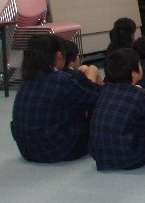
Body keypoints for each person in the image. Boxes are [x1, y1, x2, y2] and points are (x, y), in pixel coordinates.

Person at [11, 34, 99, 163]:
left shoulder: (26, 81)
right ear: (59, 55)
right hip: (56, 149)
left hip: (27, 150)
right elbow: (95, 101)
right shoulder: (62, 80)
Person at [89, 48, 145, 170]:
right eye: (139, 64)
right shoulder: (138, 95)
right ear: (134, 73)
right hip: (131, 157)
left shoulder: (104, 90)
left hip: (100, 156)